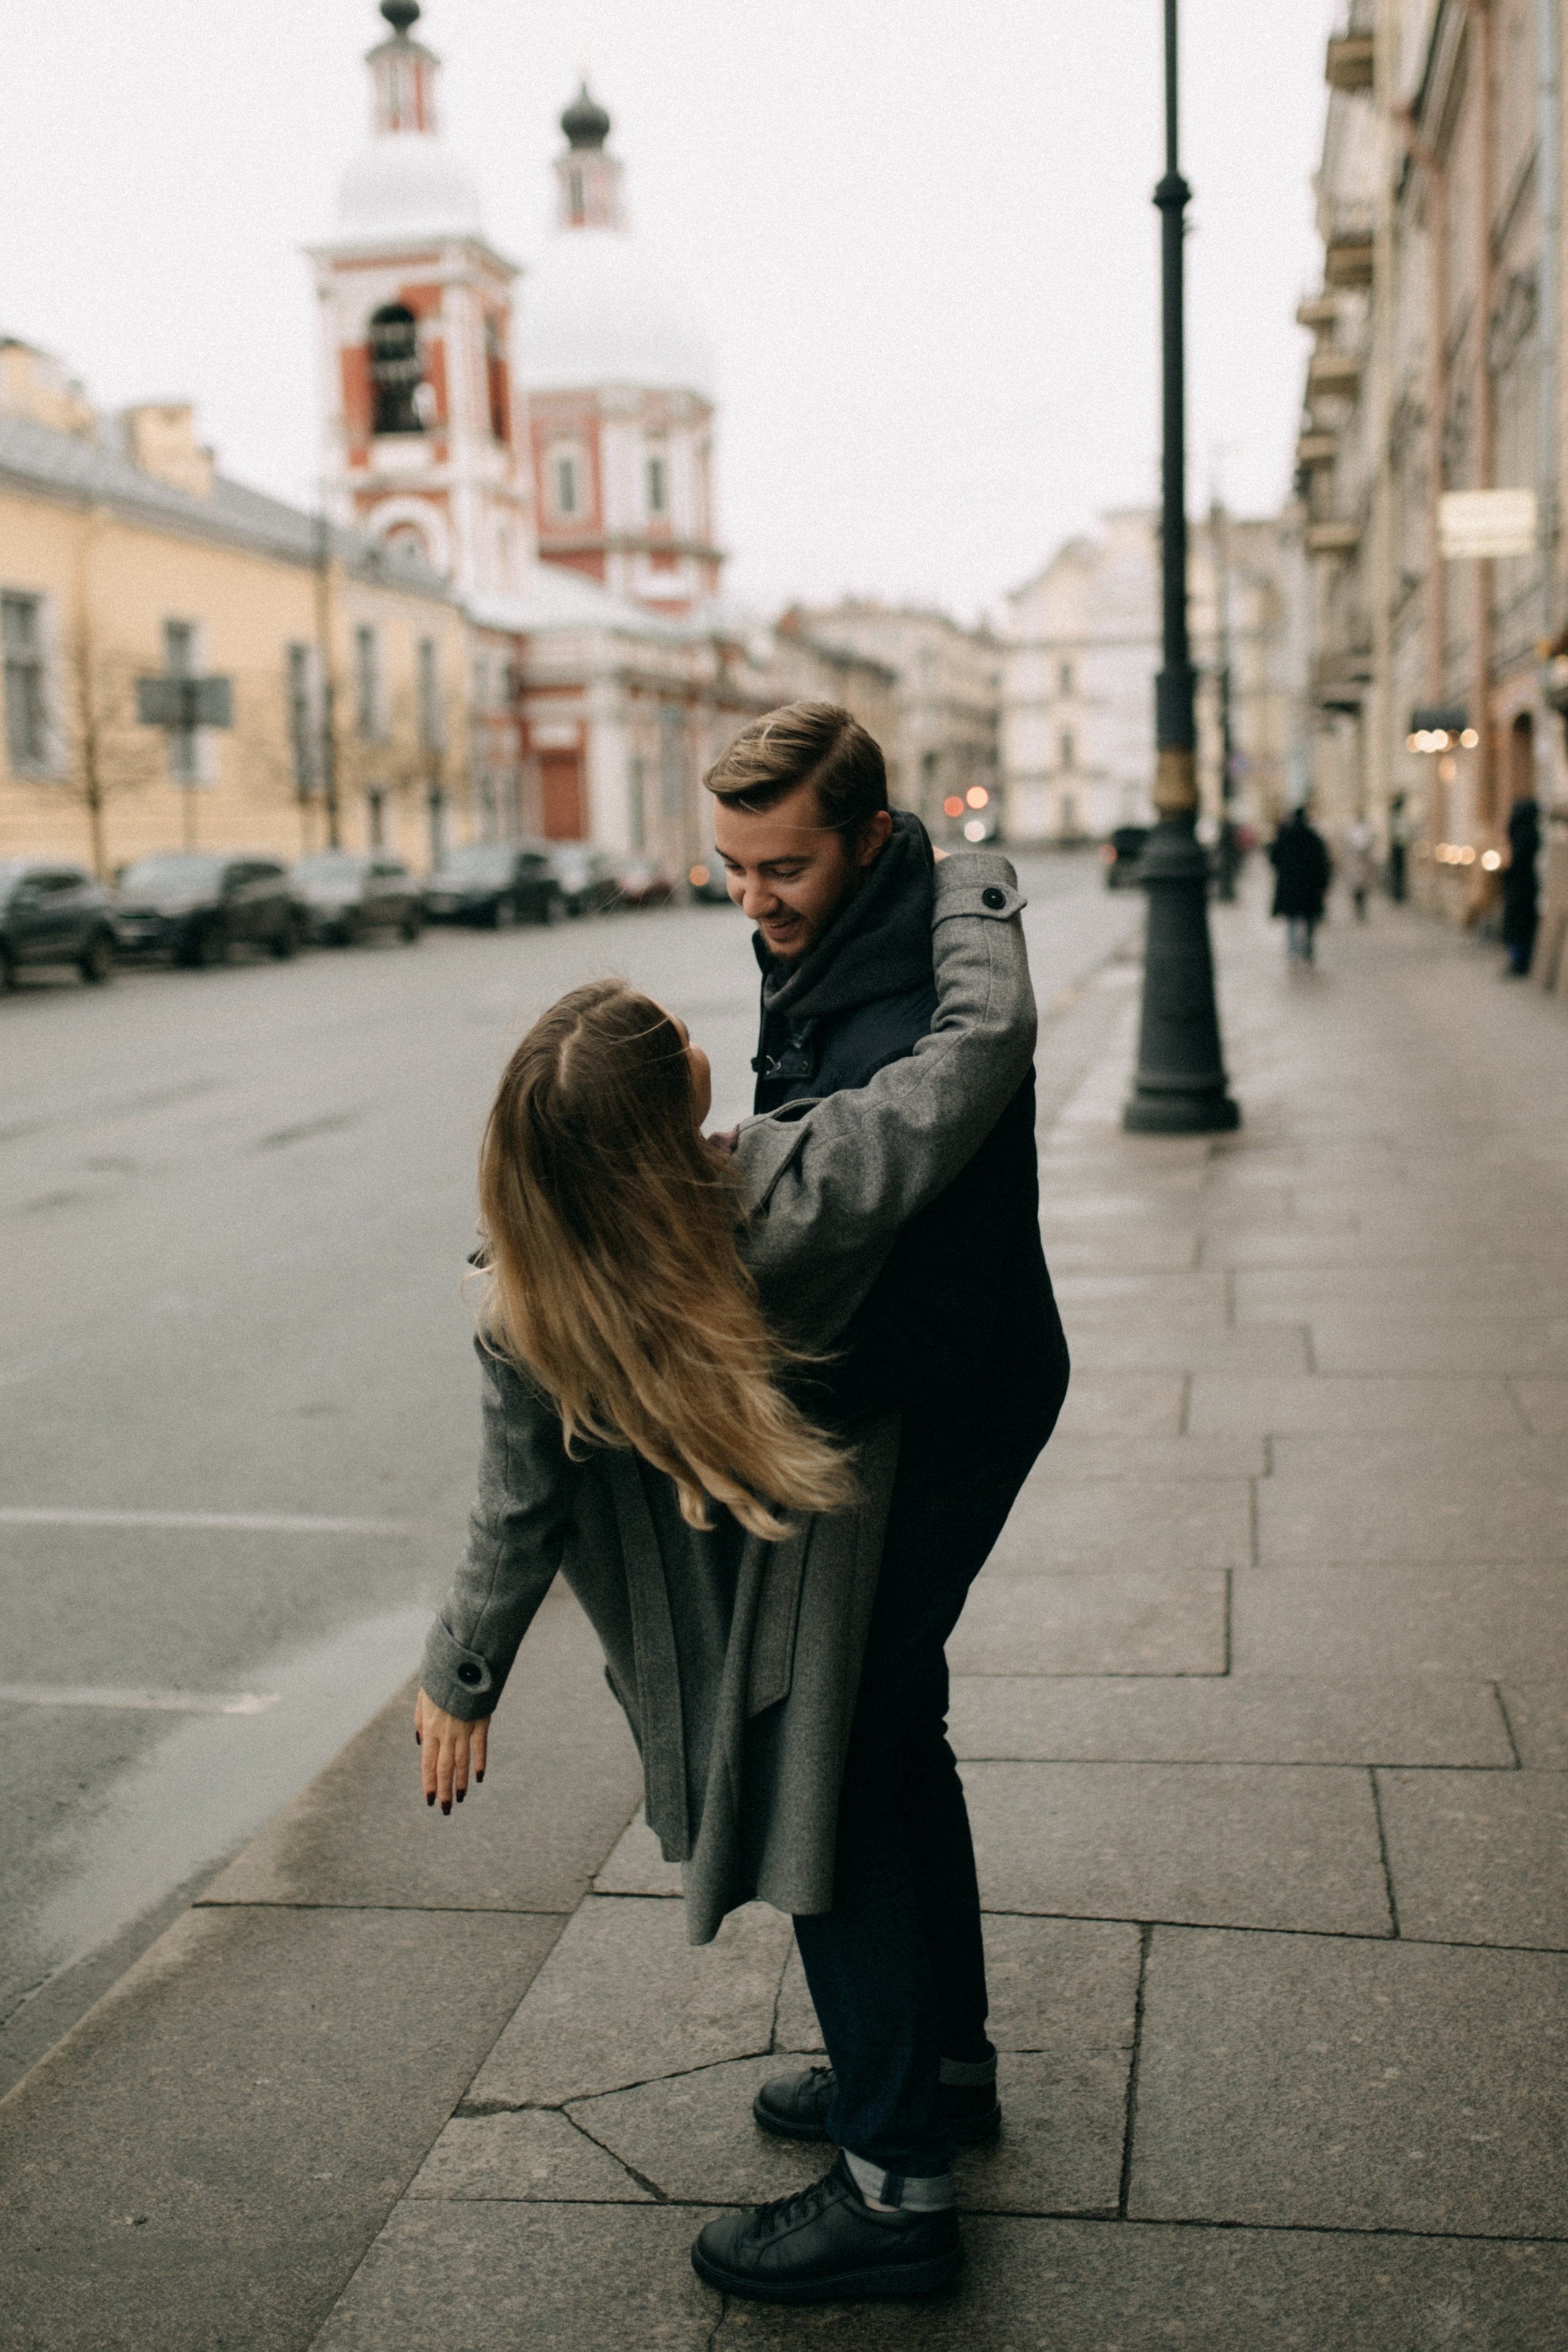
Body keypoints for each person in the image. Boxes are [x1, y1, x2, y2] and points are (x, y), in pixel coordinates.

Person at [415, 795, 1052, 2304]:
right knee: (849, 1803)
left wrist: (462, 1673)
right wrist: (971, 886)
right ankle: (912, 2141)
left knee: (844, 1799)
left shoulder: (524, 1290)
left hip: (709, 1629)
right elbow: (966, 1062)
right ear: (672, 1102)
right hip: (823, 1556)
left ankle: (915, 2126)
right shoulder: (788, 1191)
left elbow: (513, 1508)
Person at [702, 703, 1069, 2296]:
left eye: (784, 866)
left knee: (834, 1762)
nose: (757, 897)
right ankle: (940, 2076)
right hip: (941, 1380)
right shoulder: (862, 919)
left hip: (933, 1398)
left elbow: (866, 1214)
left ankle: (893, 2189)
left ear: (864, 839)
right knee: (894, 1727)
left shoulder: (908, 995)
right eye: (731, 868)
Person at [1268, 804, 1333, 962]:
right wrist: (1324, 885)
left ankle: (1293, 951)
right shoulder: (1313, 838)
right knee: (1309, 918)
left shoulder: (1285, 836)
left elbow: (1273, 858)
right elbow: (1323, 864)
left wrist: (1285, 870)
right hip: (1309, 887)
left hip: (1290, 886)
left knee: (1291, 919)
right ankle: (1308, 948)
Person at [1502, 795, 1540, 976]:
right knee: (1520, 924)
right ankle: (1518, 960)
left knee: (1518, 925)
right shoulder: (1530, 832)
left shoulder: (1521, 834)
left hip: (1519, 886)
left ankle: (1519, 961)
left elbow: (1516, 860)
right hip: (1525, 885)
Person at [1343, 814, 1375, 923]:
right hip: (1357, 868)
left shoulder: (1361, 831)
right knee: (1359, 891)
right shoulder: (1358, 831)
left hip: (1360, 869)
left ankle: (1360, 911)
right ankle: (1360, 911)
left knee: (1361, 891)